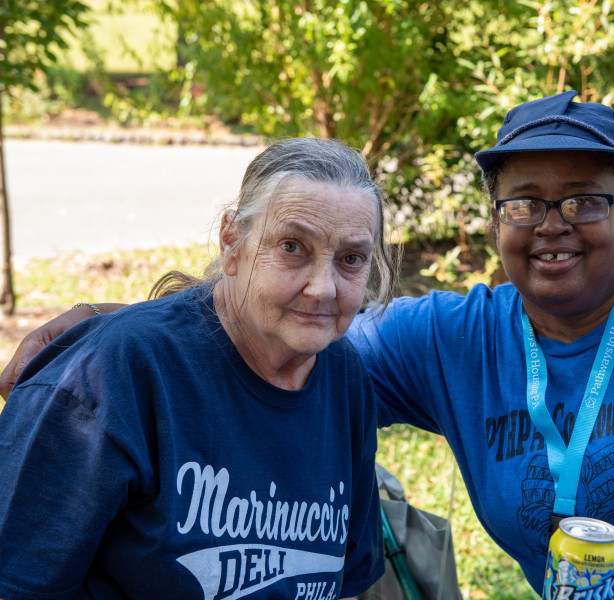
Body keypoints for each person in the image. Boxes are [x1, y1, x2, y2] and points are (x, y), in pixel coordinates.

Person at [4, 91, 614, 599]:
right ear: (494, 224)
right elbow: (278, 325)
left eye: (584, 199)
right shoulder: (454, 339)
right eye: (523, 202)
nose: (551, 224)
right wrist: (112, 326)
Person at [0, 137, 399, 600]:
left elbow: (346, 582)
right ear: (233, 241)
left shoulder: (343, 375)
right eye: (292, 247)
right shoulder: (110, 378)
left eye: (351, 259)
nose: (322, 288)